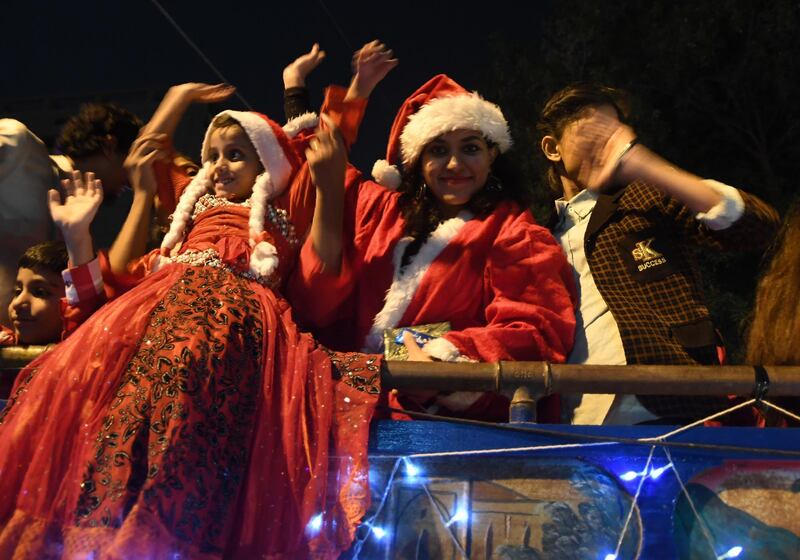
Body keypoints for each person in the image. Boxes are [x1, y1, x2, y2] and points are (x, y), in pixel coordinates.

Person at [0, 80, 377, 558]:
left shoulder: (280, 209)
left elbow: (322, 162)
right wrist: (176, 99)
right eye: (213, 155)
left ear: (267, 162)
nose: (219, 166)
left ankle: (168, 524)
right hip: (165, 299)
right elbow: (150, 156)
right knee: (90, 375)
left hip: (236, 315)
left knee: (194, 375)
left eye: (236, 154)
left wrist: (352, 95)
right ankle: (109, 519)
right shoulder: (190, 207)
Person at [288, 43, 577, 422]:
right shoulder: (380, 211)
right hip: (344, 416)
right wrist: (352, 94)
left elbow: (537, 329)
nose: (455, 164)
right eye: (438, 150)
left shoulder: (515, 233)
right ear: (418, 161)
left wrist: (442, 361)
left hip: (443, 431)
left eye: (470, 148)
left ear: (492, 154)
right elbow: (315, 170)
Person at [536, 83, 781, 425]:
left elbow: (756, 227)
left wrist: (645, 165)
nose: (607, 144)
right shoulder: (537, 236)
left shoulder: (646, 196)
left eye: (614, 134)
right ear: (552, 148)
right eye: (592, 131)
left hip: (669, 403)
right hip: (570, 416)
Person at [0, 104, 142, 326]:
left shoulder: (78, 225)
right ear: (110, 146)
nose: (133, 179)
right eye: (133, 164)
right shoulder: (17, 145)